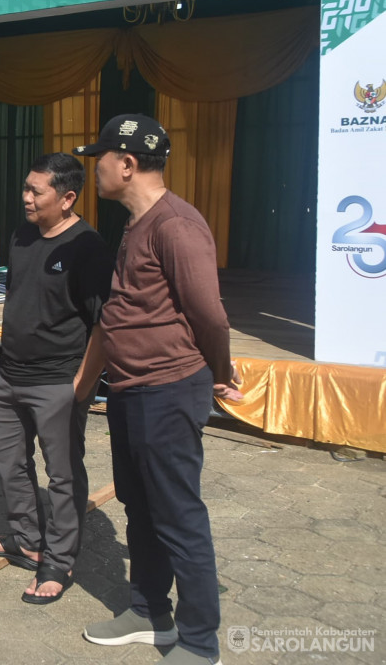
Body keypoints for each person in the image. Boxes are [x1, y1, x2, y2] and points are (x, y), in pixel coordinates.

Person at [74, 115, 241, 665]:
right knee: (139, 506)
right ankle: (149, 611)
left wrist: (219, 371)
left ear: (126, 164)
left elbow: (209, 315)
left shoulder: (175, 225)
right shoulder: (136, 223)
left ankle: (199, 640)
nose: (93, 165)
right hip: (131, 389)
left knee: (177, 514)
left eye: (100, 156)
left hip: (167, 390)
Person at [0, 153, 112, 605]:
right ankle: (26, 538)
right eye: (26, 188)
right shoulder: (20, 236)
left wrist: (82, 386)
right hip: (8, 373)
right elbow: (18, 293)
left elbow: (103, 324)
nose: (26, 198)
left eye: (37, 191)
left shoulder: (87, 247)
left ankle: (58, 560)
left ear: (68, 197)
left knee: (63, 475)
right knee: (8, 462)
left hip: (57, 381)